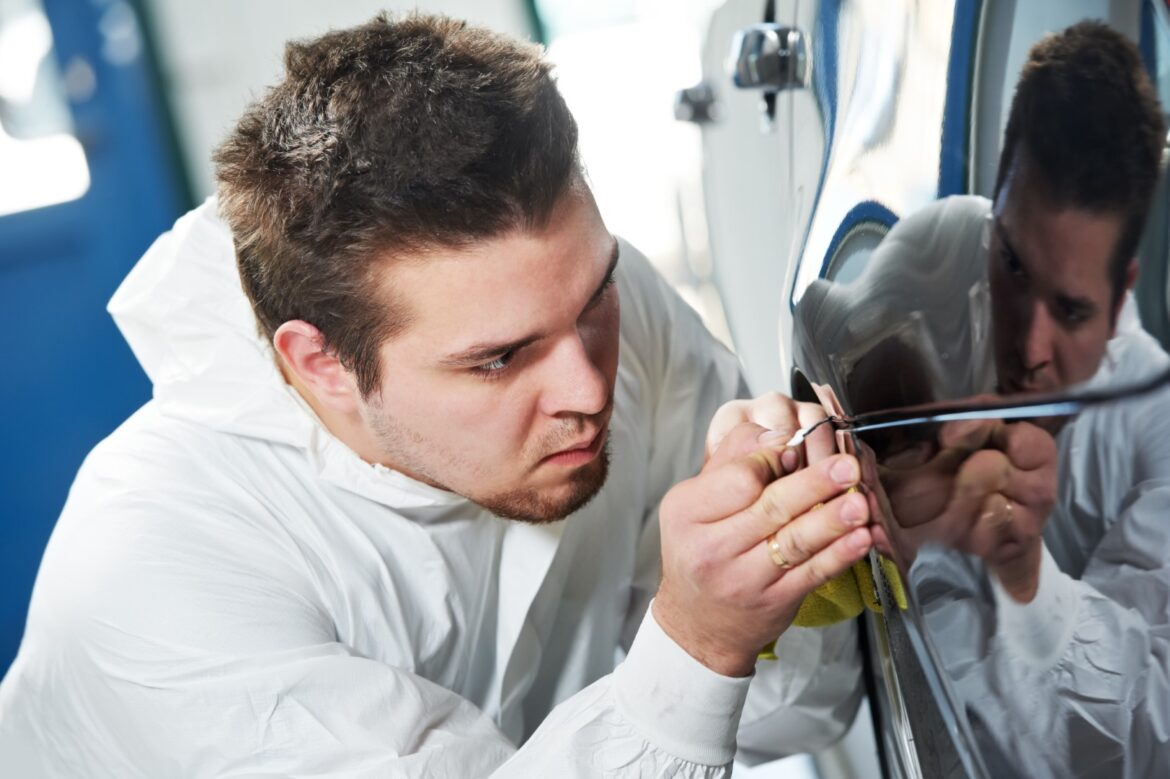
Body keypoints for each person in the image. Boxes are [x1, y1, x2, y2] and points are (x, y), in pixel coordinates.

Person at [0, 14, 874, 776]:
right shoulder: (158, 578)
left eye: (593, 298)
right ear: (321, 363)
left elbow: (797, 715)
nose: (589, 387)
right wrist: (695, 640)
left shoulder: (587, 301)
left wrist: (801, 550)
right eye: (497, 361)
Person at [795, 20, 1168, 777]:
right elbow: (822, 320)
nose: (1026, 346)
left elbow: (1141, 737)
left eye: (1070, 309)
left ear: (1122, 289)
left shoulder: (1157, 430)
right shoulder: (939, 254)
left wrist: (1024, 583)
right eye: (1013, 267)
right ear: (993, 213)